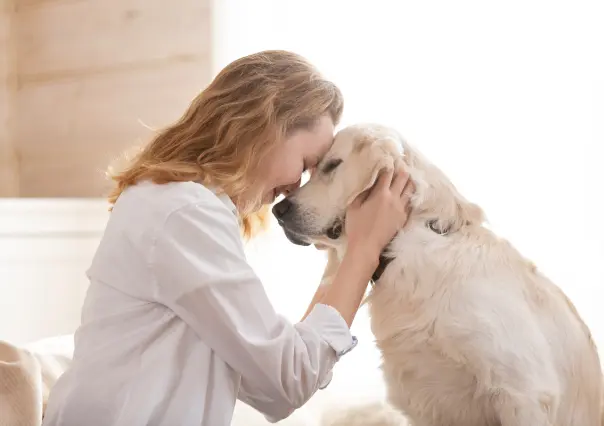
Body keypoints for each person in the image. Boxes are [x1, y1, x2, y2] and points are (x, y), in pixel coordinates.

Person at [42, 50, 414, 426]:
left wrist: (346, 252)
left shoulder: (175, 204)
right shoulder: (184, 214)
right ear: (264, 127)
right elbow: (288, 380)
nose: (294, 189)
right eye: (304, 165)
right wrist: (363, 253)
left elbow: (271, 383)